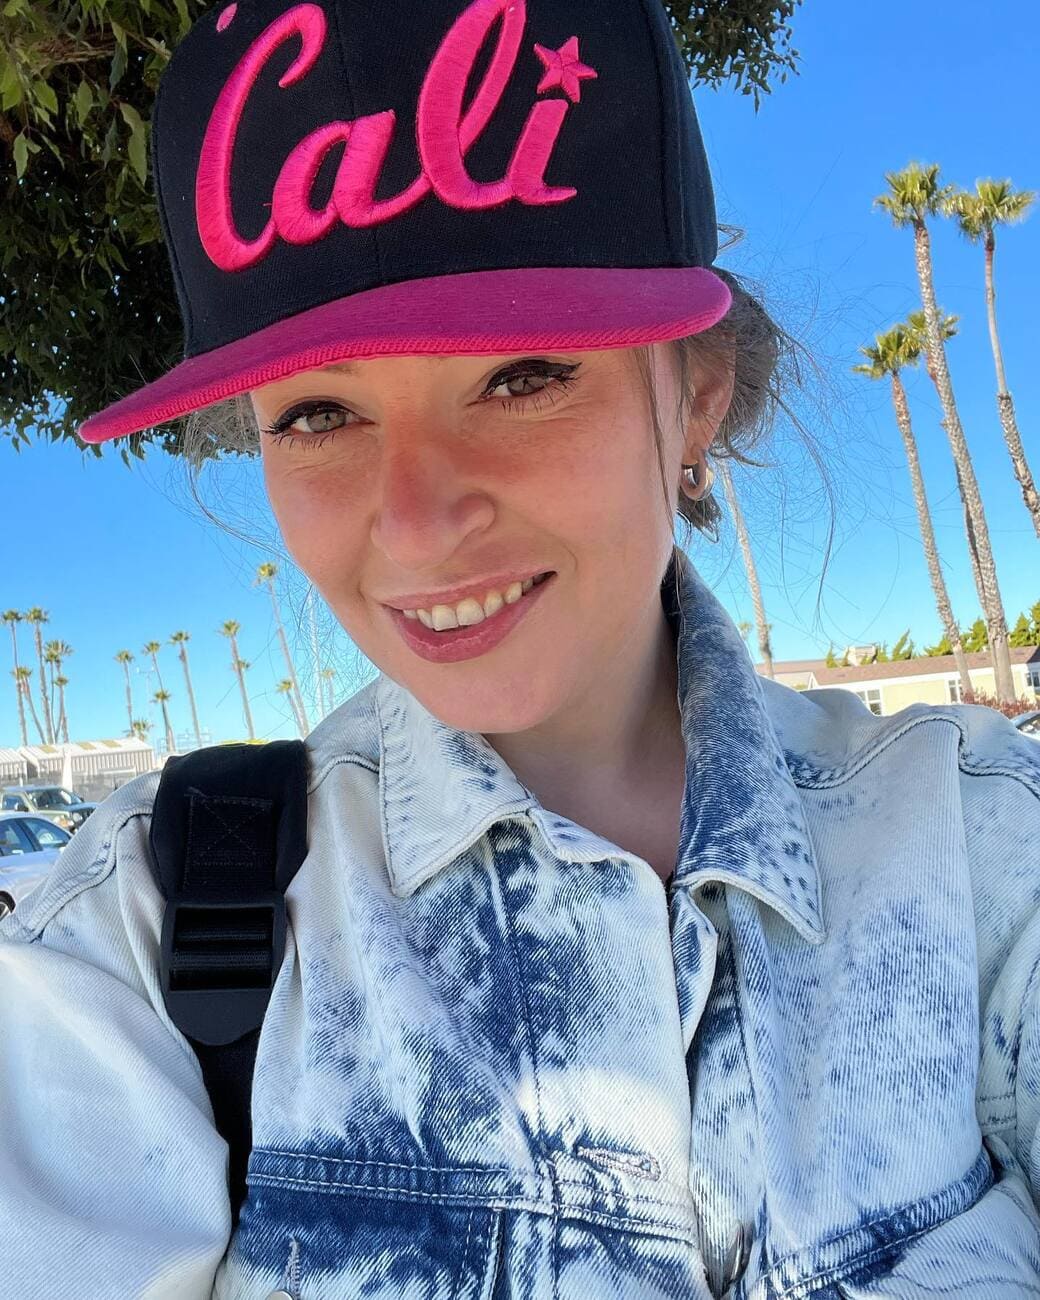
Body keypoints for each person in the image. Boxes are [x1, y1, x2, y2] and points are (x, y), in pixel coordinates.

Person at [2, 0, 1039, 1295]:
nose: (416, 523)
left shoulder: (981, 844)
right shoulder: (142, 927)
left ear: (697, 391)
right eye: (318, 413)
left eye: (522, 375)